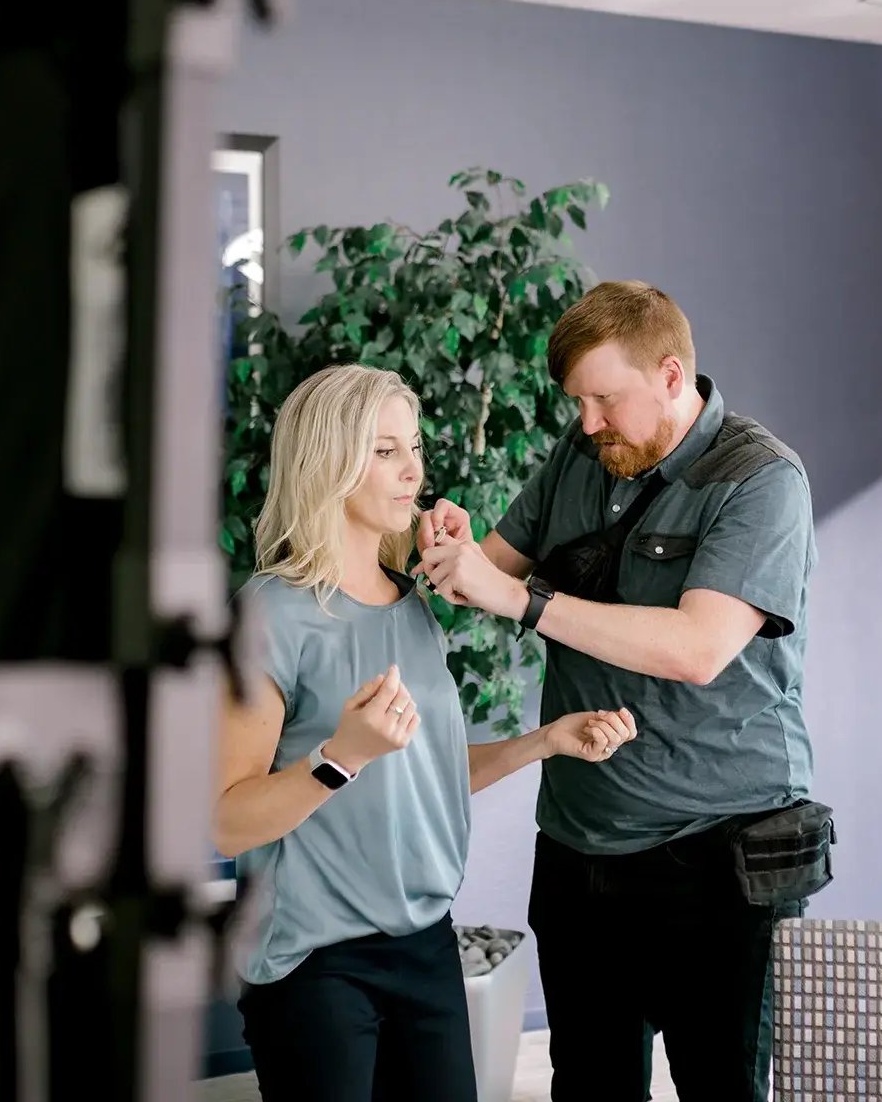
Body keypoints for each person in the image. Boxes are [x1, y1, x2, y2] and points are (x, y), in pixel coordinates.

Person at [410, 281, 820, 1102]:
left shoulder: (761, 479)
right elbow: (489, 573)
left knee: (722, 1087)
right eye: (577, 401)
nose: (587, 421)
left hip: (717, 857)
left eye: (604, 398)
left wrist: (520, 599)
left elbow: (698, 649)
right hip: (580, 845)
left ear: (672, 375)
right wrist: (453, 549)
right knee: (588, 1086)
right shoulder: (583, 450)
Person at [215, 363, 637, 1102]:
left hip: (425, 945)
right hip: (314, 964)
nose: (413, 470)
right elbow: (227, 824)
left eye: (413, 446)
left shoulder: (412, 606)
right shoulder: (268, 615)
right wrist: (339, 756)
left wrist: (545, 741)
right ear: (328, 462)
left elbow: (423, 773)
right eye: (384, 451)